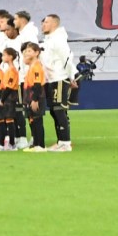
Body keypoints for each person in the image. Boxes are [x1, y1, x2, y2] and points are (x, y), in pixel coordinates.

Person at [40, 13, 75, 152]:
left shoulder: (59, 39)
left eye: (46, 22)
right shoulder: (48, 40)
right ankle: (60, 141)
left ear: (54, 24)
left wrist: (70, 76)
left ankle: (65, 142)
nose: (43, 24)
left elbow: (66, 58)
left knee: (59, 110)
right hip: (51, 79)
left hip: (59, 78)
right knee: (54, 111)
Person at [20, 41, 49, 152]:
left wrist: (35, 99)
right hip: (30, 97)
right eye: (26, 51)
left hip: (36, 97)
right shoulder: (31, 66)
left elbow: (37, 84)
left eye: (29, 51)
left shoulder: (37, 66)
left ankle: (40, 145)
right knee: (32, 120)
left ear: (37, 53)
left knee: (37, 121)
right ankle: (35, 144)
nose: (27, 53)